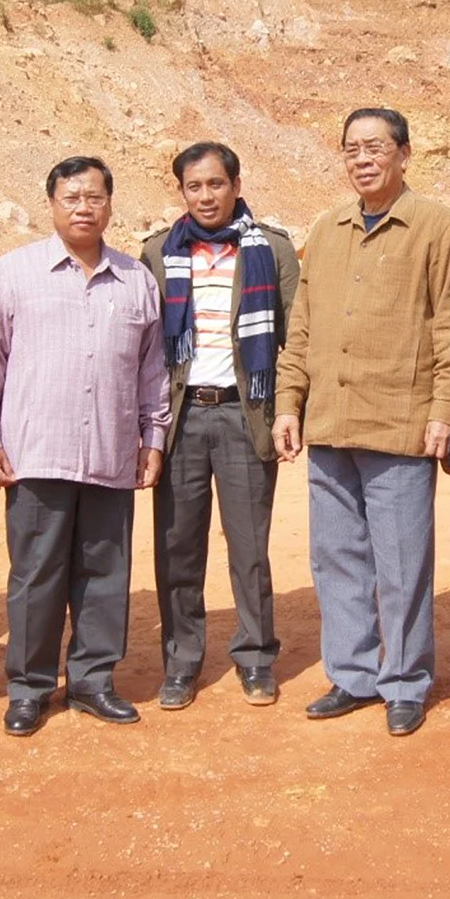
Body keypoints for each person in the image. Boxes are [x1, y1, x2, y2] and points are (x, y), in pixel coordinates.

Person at [274, 108, 450, 737]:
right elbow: (302, 327)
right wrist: (288, 402)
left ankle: (405, 681)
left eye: (376, 147)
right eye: (352, 149)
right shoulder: (326, 228)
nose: (363, 159)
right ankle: (351, 674)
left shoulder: (434, 225)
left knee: (402, 564)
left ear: (404, 155)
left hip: (398, 423)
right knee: (336, 558)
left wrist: (443, 411)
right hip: (330, 422)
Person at [0, 157, 169, 735]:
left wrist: (153, 436)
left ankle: (92, 682)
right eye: (72, 198)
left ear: (110, 205)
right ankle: (29, 688)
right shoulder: (13, 273)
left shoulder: (136, 280)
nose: (84, 208)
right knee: (36, 575)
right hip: (36, 454)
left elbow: (152, 372)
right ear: (51, 204)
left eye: (95, 197)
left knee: (105, 573)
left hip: (110, 452)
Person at [139, 143, 300, 710]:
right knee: (177, 547)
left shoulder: (271, 249)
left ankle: (255, 657)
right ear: (181, 191)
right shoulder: (158, 252)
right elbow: (145, 347)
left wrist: (288, 408)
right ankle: (182, 663)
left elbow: (294, 338)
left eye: (215, 184)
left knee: (249, 547)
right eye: (194, 186)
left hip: (244, 413)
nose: (205, 196)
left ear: (236, 185)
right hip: (180, 420)